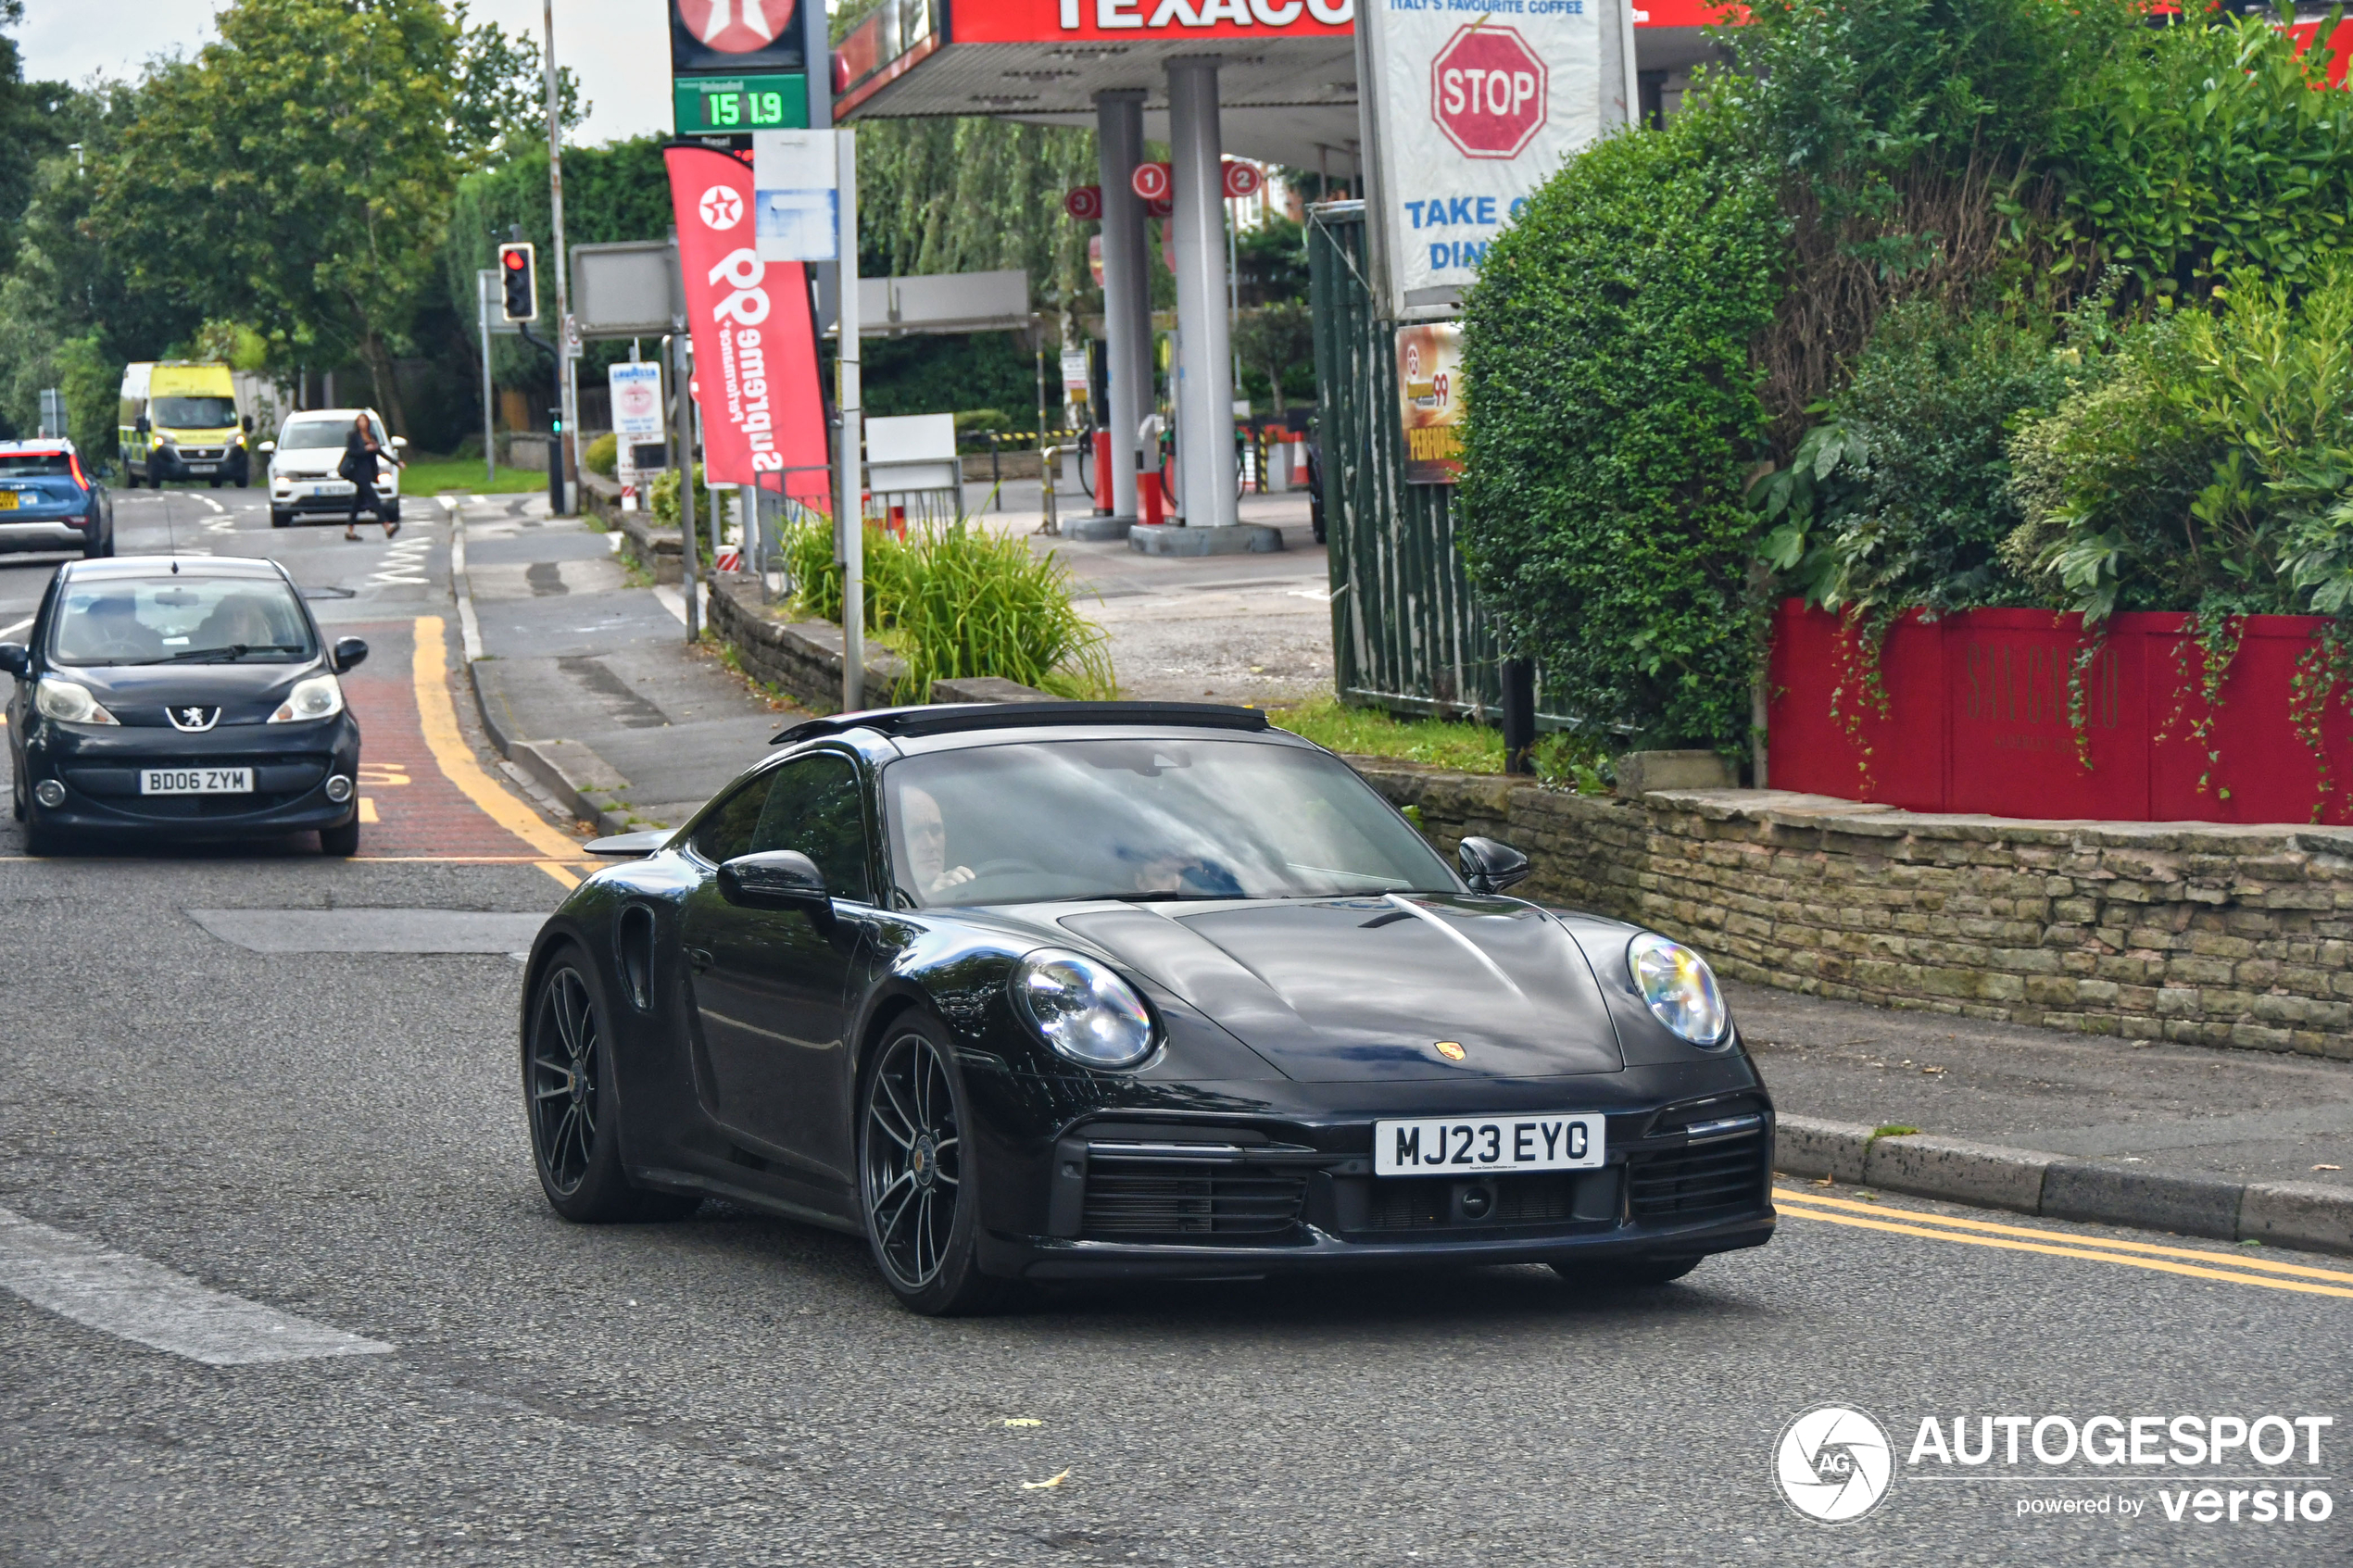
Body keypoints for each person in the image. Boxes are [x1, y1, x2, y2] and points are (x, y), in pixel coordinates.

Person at [899, 785, 975, 900]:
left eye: (935, 831)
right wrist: (927, 899)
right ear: (895, 841)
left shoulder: (968, 883)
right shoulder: (873, 899)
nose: (930, 845)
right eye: (914, 834)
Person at [339, 416, 399, 541]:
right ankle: (387, 527)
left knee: (357, 502)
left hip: (368, 472)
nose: (363, 423)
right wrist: (365, 449)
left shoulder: (372, 436)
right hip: (357, 472)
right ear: (357, 423)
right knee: (373, 499)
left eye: (365, 421)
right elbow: (351, 452)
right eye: (360, 421)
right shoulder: (353, 436)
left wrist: (396, 462)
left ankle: (350, 531)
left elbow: (380, 452)